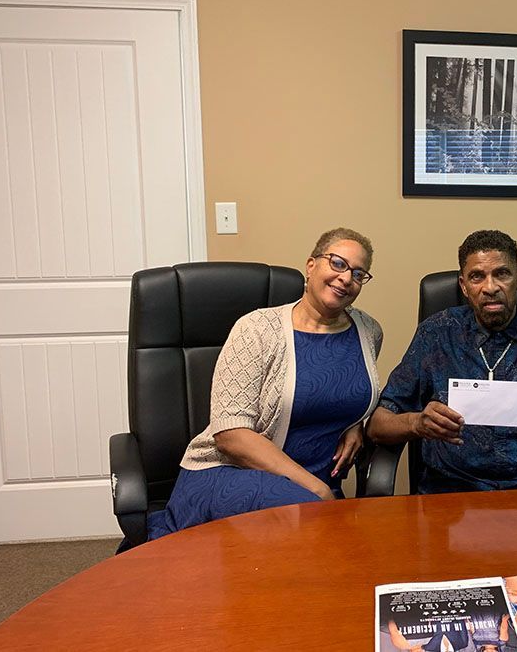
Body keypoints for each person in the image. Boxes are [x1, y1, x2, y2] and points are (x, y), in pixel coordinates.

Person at [146, 227, 382, 540]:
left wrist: (356, 423)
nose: (345, 277)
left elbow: (348, 391)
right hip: (231, 473)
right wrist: (316, 488)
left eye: (358, 272)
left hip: (307, 485)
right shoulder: (256, 329)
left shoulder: (368, 331)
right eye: (337, 263)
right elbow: (231, 435)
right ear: (311, 265)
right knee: (322, 532)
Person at [367, 229, 517, 493]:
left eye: (502, 274)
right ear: (463, 285)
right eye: (477, 277)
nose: (490, 287)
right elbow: (378, 424)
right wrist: (416, 423)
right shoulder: (437, 332)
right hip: (451, 492)